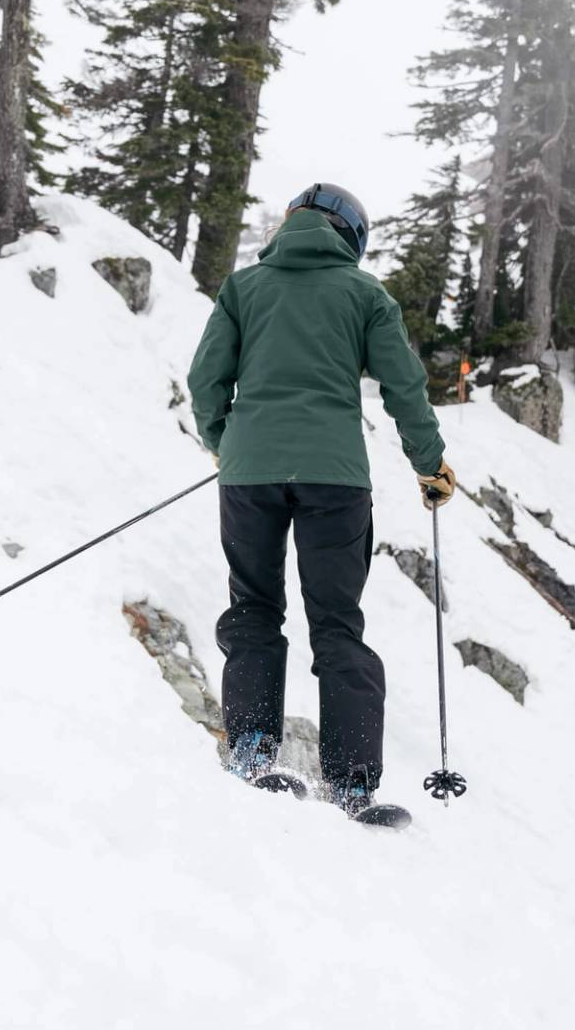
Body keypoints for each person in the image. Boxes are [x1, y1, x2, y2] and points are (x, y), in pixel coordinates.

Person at [186, 183, 456, 817]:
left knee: (254, 604)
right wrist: (430, 465)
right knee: (338, 623)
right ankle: (353, 785)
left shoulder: (243, 290)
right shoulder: (365, 296)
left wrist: (225, 441)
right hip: (335, 479)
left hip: (249, 474)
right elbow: (404, 387)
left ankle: (252, 751)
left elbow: (206, 378)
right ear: (351, 235)